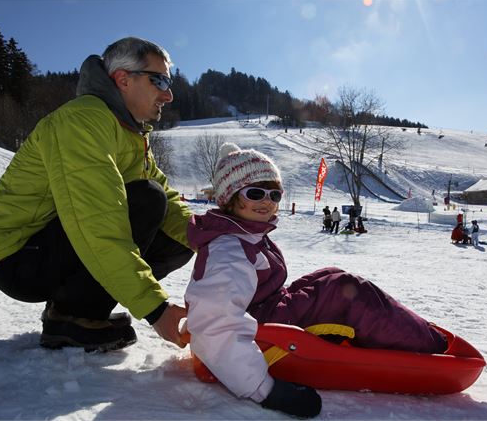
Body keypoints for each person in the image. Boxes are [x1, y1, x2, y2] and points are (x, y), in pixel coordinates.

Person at [184, 143, 447, 418]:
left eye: (274, 194)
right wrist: (265, 390)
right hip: (255, 338)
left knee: (330, 277)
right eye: (255, 193)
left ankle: (412, 333)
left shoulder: (243, 235)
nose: (267, 201)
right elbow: (214, 323)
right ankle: (431, 348)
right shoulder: (229, 250)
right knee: (348, 293)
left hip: (265, 310)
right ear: (228, 197)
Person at [0, 37, 194, 352]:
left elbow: (170, 202)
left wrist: (213, 239)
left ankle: (75, 309)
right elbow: (96, 223)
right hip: (20, 256)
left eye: (168, 82)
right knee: (148, 199)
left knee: (178, 236)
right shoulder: (82, 121)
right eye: (159, 80)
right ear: (123, 79)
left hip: (57, 243)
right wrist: (156, 310)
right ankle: (74, 317)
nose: (168, 94)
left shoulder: (130, 132)